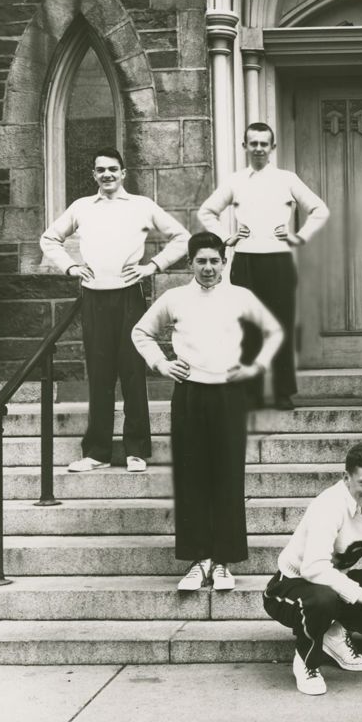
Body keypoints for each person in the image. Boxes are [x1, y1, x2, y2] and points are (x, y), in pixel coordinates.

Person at [131, 231, 283, 592]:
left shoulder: (240, 296)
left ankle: (224, 562)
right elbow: (141, 332)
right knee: (192, 476)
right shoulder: (175, 298)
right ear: (190, 263)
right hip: (189, 395)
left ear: (224, 261)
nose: (209, 267)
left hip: (229, 395)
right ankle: (199, 560)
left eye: (215, 260)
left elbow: (274, 331)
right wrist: (162, 365)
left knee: (227, 475)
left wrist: (255, 367)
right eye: (201, 260)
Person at [40, 147, 189, 474]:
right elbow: (49, 239)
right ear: (94, 175)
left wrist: (153, 266)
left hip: (129, 298)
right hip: (94, 299)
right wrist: (70, 267)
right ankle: (97, 452)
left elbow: (182, 237)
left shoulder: (141, 206)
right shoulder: (81, 207)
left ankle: (136, 450)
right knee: (100, 376)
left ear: (123, 173)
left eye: (112, 169)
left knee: (133, 374)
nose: (106, 174)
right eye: (100, 170)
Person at [263, 442, 362, 696]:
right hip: (289, 587)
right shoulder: (328, 505)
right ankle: (306, 661)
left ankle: (334, 632)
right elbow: (314, 567)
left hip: (336, 585)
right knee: (322, 597)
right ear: (347, 478)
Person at [197, 122, 330, 410]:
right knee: (247, 327)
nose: (258, 148)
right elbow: (206, 211)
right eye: (253, 143)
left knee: (280, 325)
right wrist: (226, 238)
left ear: (273, 147)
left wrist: (297, 236)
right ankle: (250, 393)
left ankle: (282, 392)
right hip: (245, 260)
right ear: (244, 146)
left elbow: (320, 209)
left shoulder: (287, 178)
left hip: (278, 260)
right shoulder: (235, 181)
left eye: (263, 143)